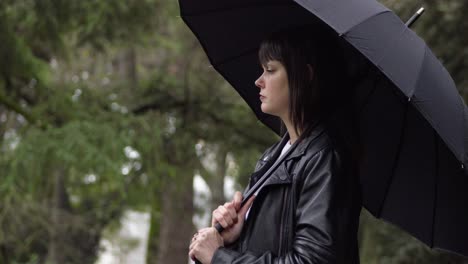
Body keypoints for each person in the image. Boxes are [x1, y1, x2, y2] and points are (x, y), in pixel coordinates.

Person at [189, 25, 362, 264]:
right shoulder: (274, 157)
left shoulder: (325, 158)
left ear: (305, 75)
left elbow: (311, 261)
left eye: (270, 70)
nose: (259, 81)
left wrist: (220, 258)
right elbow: (270, 248)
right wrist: (231, 240)